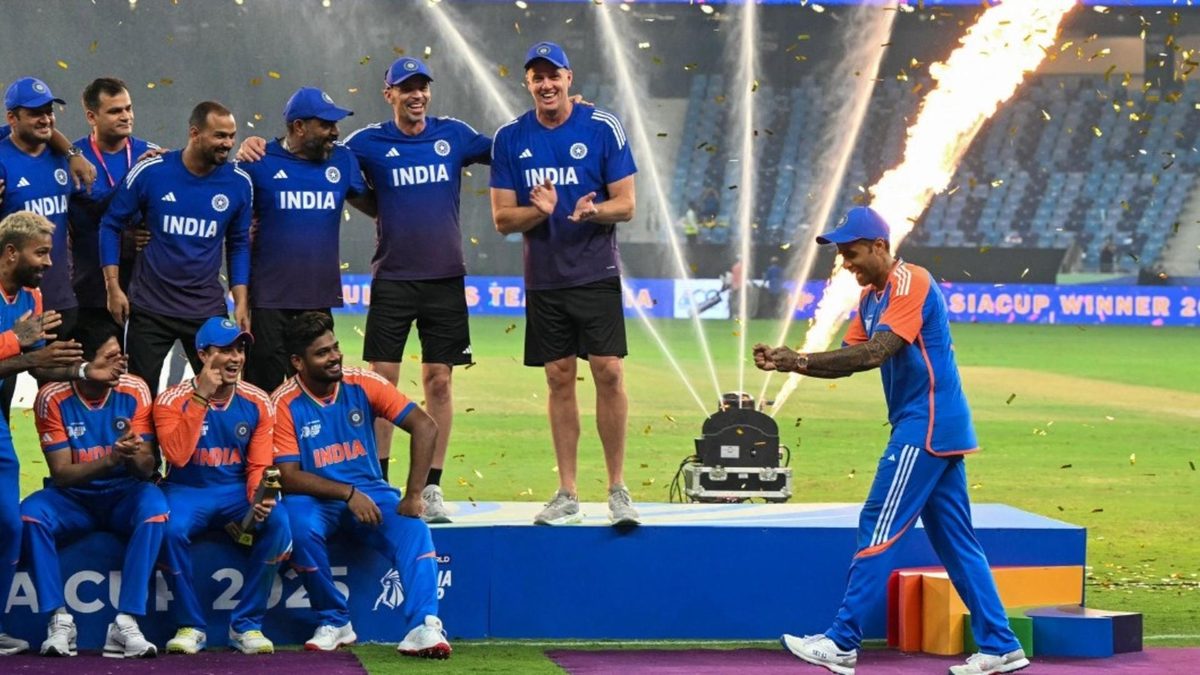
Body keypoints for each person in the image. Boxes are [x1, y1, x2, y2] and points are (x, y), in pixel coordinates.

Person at [754, 206, 1030, 675]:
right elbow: (849, 357)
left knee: (878, 524)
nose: (847, 264)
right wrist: (791, 361)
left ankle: (842, 641)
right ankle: (1001, 644)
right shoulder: (870, 299)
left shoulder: (910, 282)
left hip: (924, 424)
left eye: (852, 253)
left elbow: (879, 352)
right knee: (957, 542)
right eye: (842, 256)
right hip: (934, 425)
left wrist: (797, 360)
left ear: (880, 246)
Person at [490, 41, 639, 527]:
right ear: (528, 83)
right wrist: (541, 212)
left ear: (569, 78)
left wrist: (591, 210)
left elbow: (628, 204)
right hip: (546, 279)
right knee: (557, 377)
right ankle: (568, 493)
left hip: (595, 273)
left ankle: (617, 490)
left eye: (554, 75)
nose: (546, 84)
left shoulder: (602, 127)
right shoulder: (511, 137)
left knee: (609, 372)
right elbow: (501, 219)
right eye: (537, 77)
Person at [273, 312, 450, 658]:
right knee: (297, 523)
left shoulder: (364, 383)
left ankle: (423, 626)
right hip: (314, 499)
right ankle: (334, 620)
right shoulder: (283, 402)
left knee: (415, 530)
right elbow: (289, 477)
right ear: (298, 362)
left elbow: (425, 426)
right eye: (322, 353)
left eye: (335, 347)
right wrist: (347, 493)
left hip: (372, 494)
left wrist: (414, 494)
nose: (335, 356)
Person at [0, 211, 124, 656]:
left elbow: (41, 363)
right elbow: (23, 356)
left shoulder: (31, 298)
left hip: (0, 428)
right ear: (11, 252)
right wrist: (17, 344)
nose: (49, 263)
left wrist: (80, 368)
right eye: (41, 252)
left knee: (9, 522)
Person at [21, 331, 164, 659]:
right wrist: (111, 458)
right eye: (110, 357)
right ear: (83, 363)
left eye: (121, 356)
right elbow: (62, 473)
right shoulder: (51, 397)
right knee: (30, 515)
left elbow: (147, 468)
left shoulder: (135, 388)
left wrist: (133, 456)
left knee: (155, 508)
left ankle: (125, 622)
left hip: (123, 494)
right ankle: (59, 620)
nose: (120, 364)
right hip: (73, 499)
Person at [154, 317, 288, 655]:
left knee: (279, 522)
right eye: (225, 350)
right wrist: (201, 397)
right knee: (168, 529)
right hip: (187, 489)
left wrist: (259, 497)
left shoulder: (257, 401)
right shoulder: (171, 400)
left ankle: (247, 625)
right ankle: (191, 625)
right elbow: (178, 457)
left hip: (234, 490)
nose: (236, 358)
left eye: (240, 349)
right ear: (202, 354)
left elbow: (258, 464)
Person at [99, 100, 252, 396]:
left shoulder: (238, 182)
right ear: (195, 133)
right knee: (139, 400)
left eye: (232, 136)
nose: (228, 144)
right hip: (150, 308)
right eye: (220, 136)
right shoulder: (152, 171)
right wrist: (113, 287)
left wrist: (241, 300)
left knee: (220, 397)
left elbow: (238, 243)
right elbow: (110, 223)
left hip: (205, 308)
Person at [235, 87, 369, 393]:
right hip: (270, 303)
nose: (335, 132)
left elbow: (376, 206)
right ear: (298, 127)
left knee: (320, 393)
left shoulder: (343, 160)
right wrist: (241, 297)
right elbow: (234, 231)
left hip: (318, 303)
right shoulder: (258, 162)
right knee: (262, 393)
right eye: (326, 125)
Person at [69, 77, 161, 351]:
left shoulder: (149, 152)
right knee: (94, 377)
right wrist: (136, 176)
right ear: (91, 116)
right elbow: (93, 208)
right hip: (91, 291)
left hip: (145, 292)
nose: (126, 116)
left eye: (128, 108)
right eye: (115, 111)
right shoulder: (75, 157)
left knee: (138, 383)